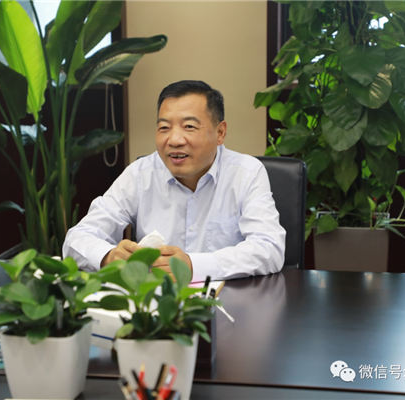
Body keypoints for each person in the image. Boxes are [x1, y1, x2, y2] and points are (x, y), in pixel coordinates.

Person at [63, 80, 285, 281]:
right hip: (154, 303)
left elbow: (269, 248)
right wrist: (108, 256)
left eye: (189, 127)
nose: (175, 140)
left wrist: (192, 265)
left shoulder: (247, 173)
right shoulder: (140, 173)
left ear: (220, 133)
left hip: (229, 303)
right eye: (164, 128)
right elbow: (77, 238)